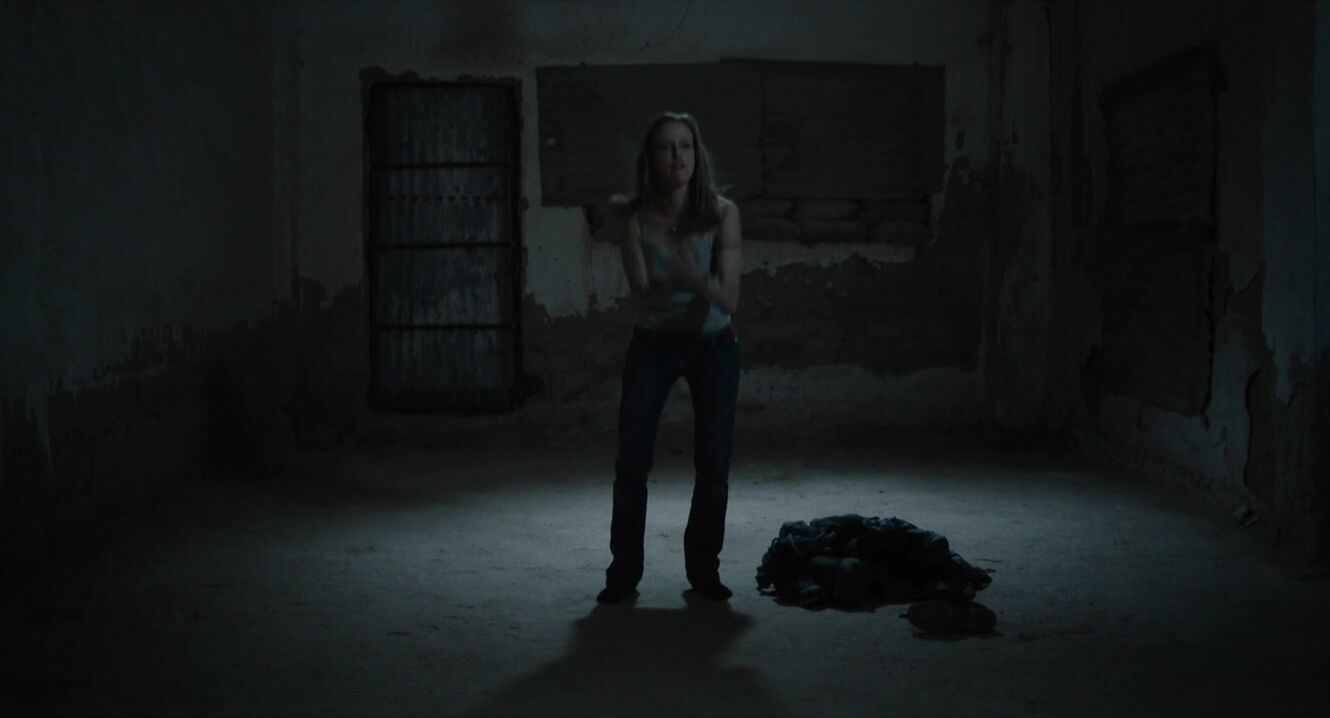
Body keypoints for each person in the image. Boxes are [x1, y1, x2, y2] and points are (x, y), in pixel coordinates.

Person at [596, 111, 743, 604]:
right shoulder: (634, 217)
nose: (676, 157)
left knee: (714, 463)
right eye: (665, 147)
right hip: (655, 344)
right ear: (651, 158)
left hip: (714, 348)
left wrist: (691, 275)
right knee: (632, 461)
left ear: (697, 155)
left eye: (685, 146)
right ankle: (623, 574)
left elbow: (729, 298)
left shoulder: (723, 213)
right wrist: (673, 276)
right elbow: (641, 294)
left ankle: (704, 572)